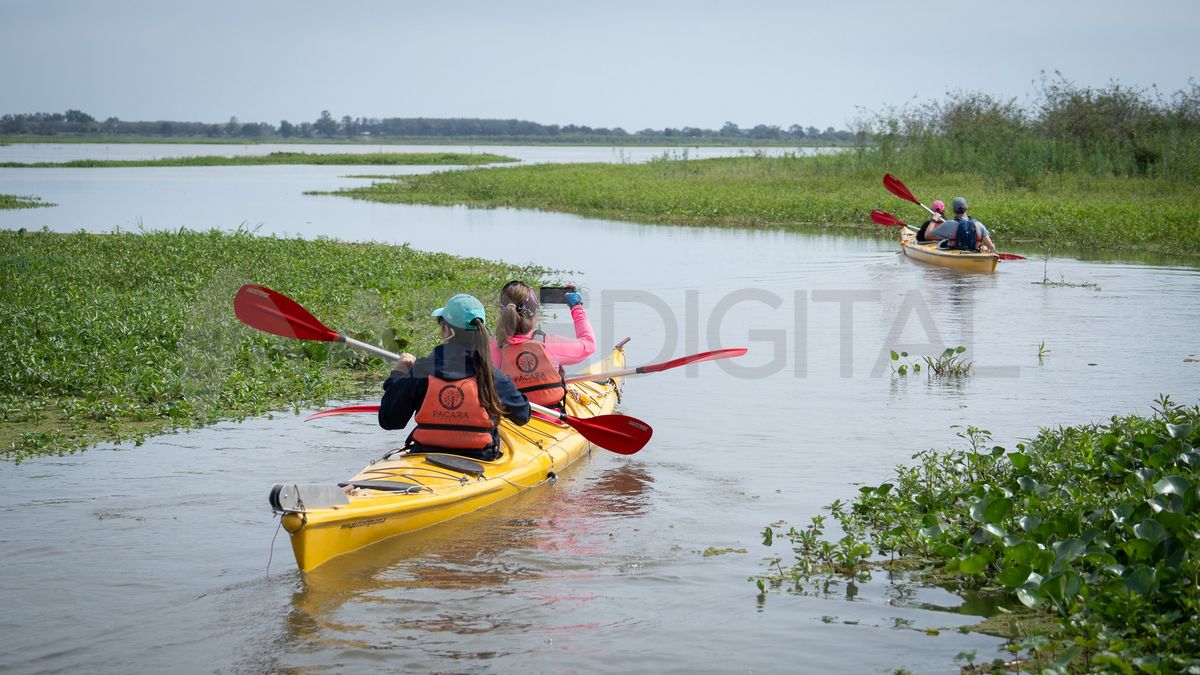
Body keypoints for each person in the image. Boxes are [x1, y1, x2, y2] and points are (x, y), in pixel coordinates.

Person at [379, 294, 531, 461]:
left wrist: (398, 375)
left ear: (447, 330)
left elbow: (389, 420)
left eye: (440, 323)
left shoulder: (421, 370)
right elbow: (523, 415)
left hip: (425, 456)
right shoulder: (492, 376)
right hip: (480, 460)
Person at [491, 280, 596, 408]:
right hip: (552, 417)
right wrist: (576, 307)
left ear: (503, 313)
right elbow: (589, 344)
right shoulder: (549, 344)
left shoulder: (492, 347)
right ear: (534, 314)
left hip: (513, 419)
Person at [924, 197, 997, 253]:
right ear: (966, 209)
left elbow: (927, 236)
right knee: (984, 247)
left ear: (953, 210)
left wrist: (934, 220)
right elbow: (991, 248)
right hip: (974, 255)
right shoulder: (979, 225)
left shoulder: (949, 224)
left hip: (955, 256)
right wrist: (985, 249)